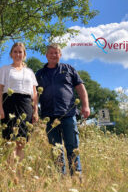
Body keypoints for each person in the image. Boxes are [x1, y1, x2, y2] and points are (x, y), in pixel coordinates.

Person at [35, 43, 90, 178]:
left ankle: (76, 176)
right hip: (49, 116)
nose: (54, 55)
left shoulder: (69, 69)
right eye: (51, 53)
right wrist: (35, 110)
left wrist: (86, 106)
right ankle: (61, 177)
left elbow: (81, 89)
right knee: (55, 149)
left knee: (72, 147)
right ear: (46, 55)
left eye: (56, 53)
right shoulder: (39, 74)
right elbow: (34, 94)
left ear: (60, 55)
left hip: (68, 114)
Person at [0, 42, 38, 162]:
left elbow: (34, 93)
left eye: (20, 52)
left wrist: (35, 111)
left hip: (26, 105)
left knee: (22, 141)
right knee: (10, 141)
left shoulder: (30, 72)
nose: (17, 54)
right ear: (11, 54)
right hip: (9, 104)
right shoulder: (5, 69)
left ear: (24, 55)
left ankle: (19, 173)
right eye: (15, 52)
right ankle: (11, 172)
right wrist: (0, 108)